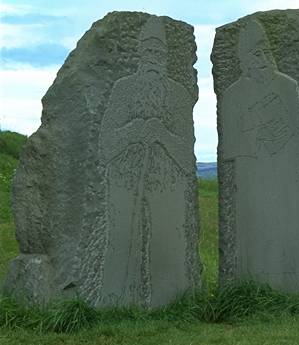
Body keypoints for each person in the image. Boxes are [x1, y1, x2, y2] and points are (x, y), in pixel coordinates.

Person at [98, 17, 194, 307]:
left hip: (167, 186)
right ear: (139, 54)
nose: (154, 59)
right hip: (125, 183)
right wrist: (133, 131)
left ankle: (173, 303)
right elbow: (105, 145)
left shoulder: (178, 95)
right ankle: (115, 304)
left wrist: (163, 135)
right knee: (120, 244)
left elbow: (188, 158)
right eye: (149, 52)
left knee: (170, 246)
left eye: (160, 54)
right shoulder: (123, 89)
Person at [220, 20, 299, 292]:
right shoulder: (233, 95)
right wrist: (258, 129)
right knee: (260, 239)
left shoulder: (288, 86)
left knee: (294, 232)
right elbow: (228, 148)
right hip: (254, 181)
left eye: (265, 51)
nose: (263, 58)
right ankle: (254, 289)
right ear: (243, 60)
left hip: (288, 180)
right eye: (255, 54)